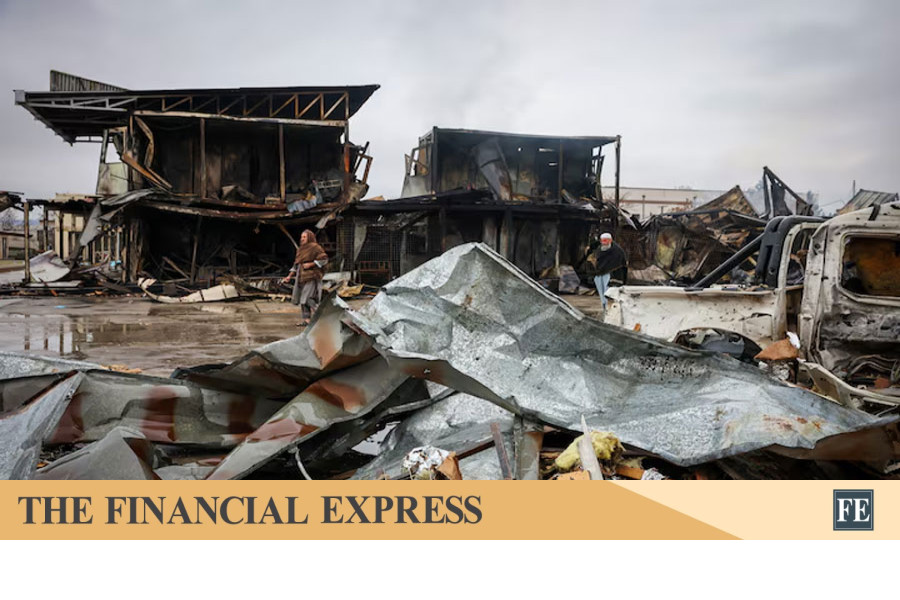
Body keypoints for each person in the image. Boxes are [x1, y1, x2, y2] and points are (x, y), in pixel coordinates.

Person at [282, 229, 328, 324]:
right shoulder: (301, 249)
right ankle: (307, 320)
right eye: (301, 237)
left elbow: (324, 259)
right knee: (302, 299)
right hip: (301, 276)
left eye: (304, 237)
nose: (302, 239)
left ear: (309, 237)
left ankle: (322, 315)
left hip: (312, 276)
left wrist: (311, 264)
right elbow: (296, 264)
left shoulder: (316, 247)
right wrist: (289, 276)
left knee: (307, 298)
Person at [589, 232, 627, 309]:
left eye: (605, 241)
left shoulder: (617, 251)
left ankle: (610, 309)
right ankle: (604, 309)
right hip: (599, 274)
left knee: (609, 294)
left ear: (610, 240)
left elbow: (621, 265)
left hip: (611, 275)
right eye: (602, 241)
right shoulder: (600, 249)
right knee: (602, 294)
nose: (604, 243)